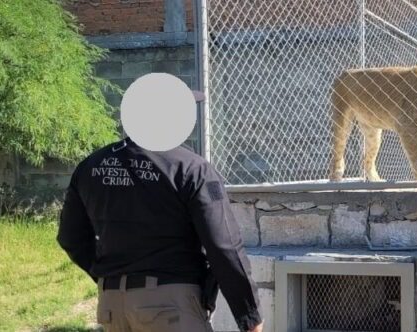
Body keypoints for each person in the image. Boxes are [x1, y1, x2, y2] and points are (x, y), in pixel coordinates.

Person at [57, 88, 263, 332]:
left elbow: (70, 237)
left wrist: (109, 277)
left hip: (112, 307)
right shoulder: (192, 169)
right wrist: (249, 316)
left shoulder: (91, 166)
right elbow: (224, 246)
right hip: (171, 307)